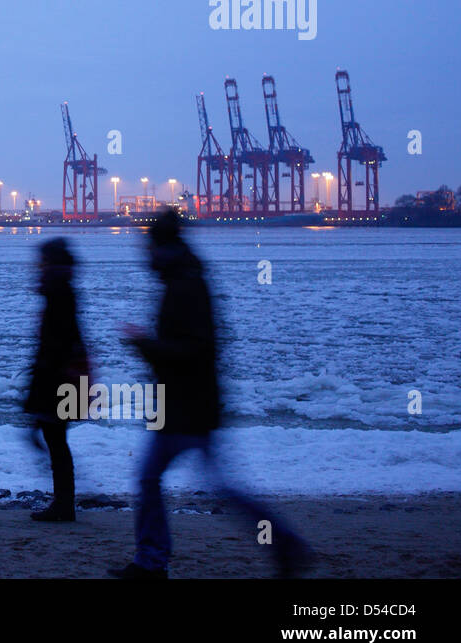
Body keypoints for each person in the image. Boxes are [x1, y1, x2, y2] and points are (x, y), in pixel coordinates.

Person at [111, 207, 311, 578]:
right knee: (197, 483)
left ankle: (154, 562)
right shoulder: (184, 279)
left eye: (149, 247)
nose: (145, 255)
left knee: (189, 483)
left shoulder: (185, 285)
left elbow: (195, 348)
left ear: (163, 247)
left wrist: (146, 346)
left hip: (187, 406)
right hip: (185, 403)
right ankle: (153, 561)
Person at [23, 237, 89, 522]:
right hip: (59, 374)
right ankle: (64, 502)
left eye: (42, 261)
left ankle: (64, 505)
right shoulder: (61, 289)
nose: (37, 266)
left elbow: (56, 342)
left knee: (55, 438)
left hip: (57, 376)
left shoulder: (57, 291)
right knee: (55, 437)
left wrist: (44, 373)